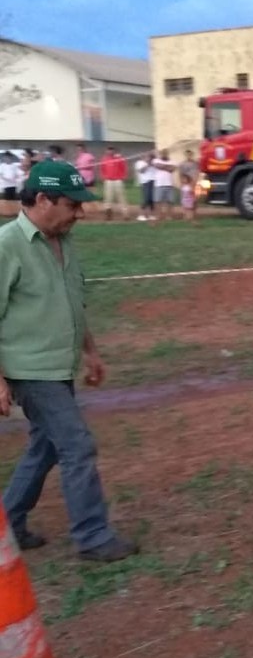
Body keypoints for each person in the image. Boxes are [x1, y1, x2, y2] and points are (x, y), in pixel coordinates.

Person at [0, 161, 137, 561]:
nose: (80, 213)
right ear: (42, 200)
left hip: (59, 366)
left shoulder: (63, 240)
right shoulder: (7, 246)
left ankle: (8, 524)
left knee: (46, 447)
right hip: (29, 369)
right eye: (72, 205)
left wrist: (90, 351)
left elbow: (73, 302)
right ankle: (93, 537)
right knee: (77, 445)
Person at [98, 147, 127, 220]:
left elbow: (123, 168)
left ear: (114, 151)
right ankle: (108, 214)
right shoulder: (104, 159)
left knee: (121, 197)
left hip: (118, 180)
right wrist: (104, 177)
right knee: (108, 197)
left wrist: (123, 177)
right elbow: (102, 169)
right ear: (106, 151)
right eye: (108, 151)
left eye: (111, 150)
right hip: (108, 180)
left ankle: (125, 214)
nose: (110, 152)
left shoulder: (119, 159)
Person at [0, 151, 20, 218]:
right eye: (5, 158)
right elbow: (1, 175)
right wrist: (7, 179)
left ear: (11, 158)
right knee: (7, 199)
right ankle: (7, 212)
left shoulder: (14, 166)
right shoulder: (2, 166)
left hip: (13, 185)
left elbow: (17, 174)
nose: (7, 159)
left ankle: (13, 212)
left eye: (8, 157)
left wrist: (15, 178)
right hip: (6, 185)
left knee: (13, 199)